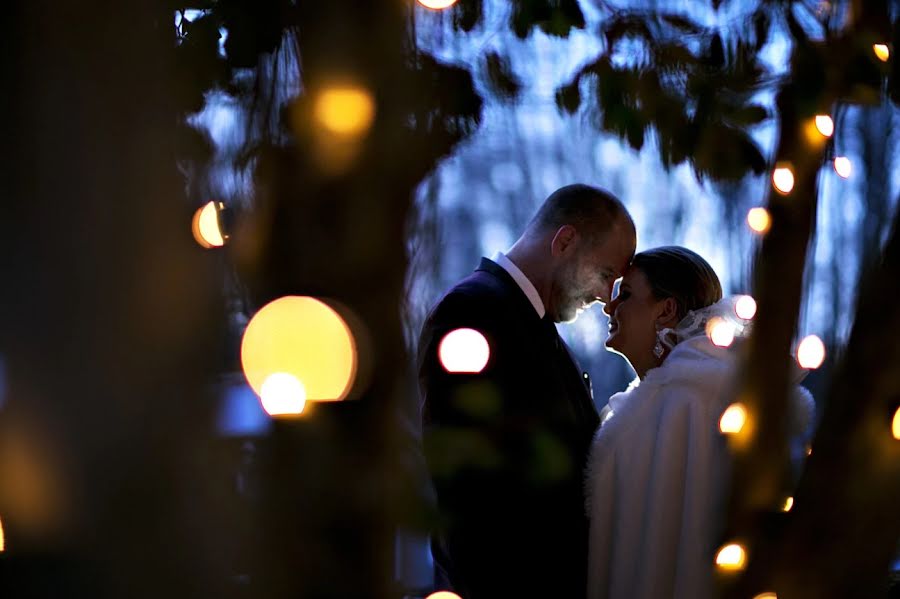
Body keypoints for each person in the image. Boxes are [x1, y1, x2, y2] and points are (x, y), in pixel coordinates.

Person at [417, 184, 636, 599]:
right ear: (565, 241)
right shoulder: (474, 311)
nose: (606, 296)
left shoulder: (535, 324)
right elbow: (466, 494)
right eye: (607, 274)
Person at [586, 246, 814, 599]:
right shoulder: (656, 401)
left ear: (666, 310)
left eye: (626, 295)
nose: (610, 307)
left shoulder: (692, 400)